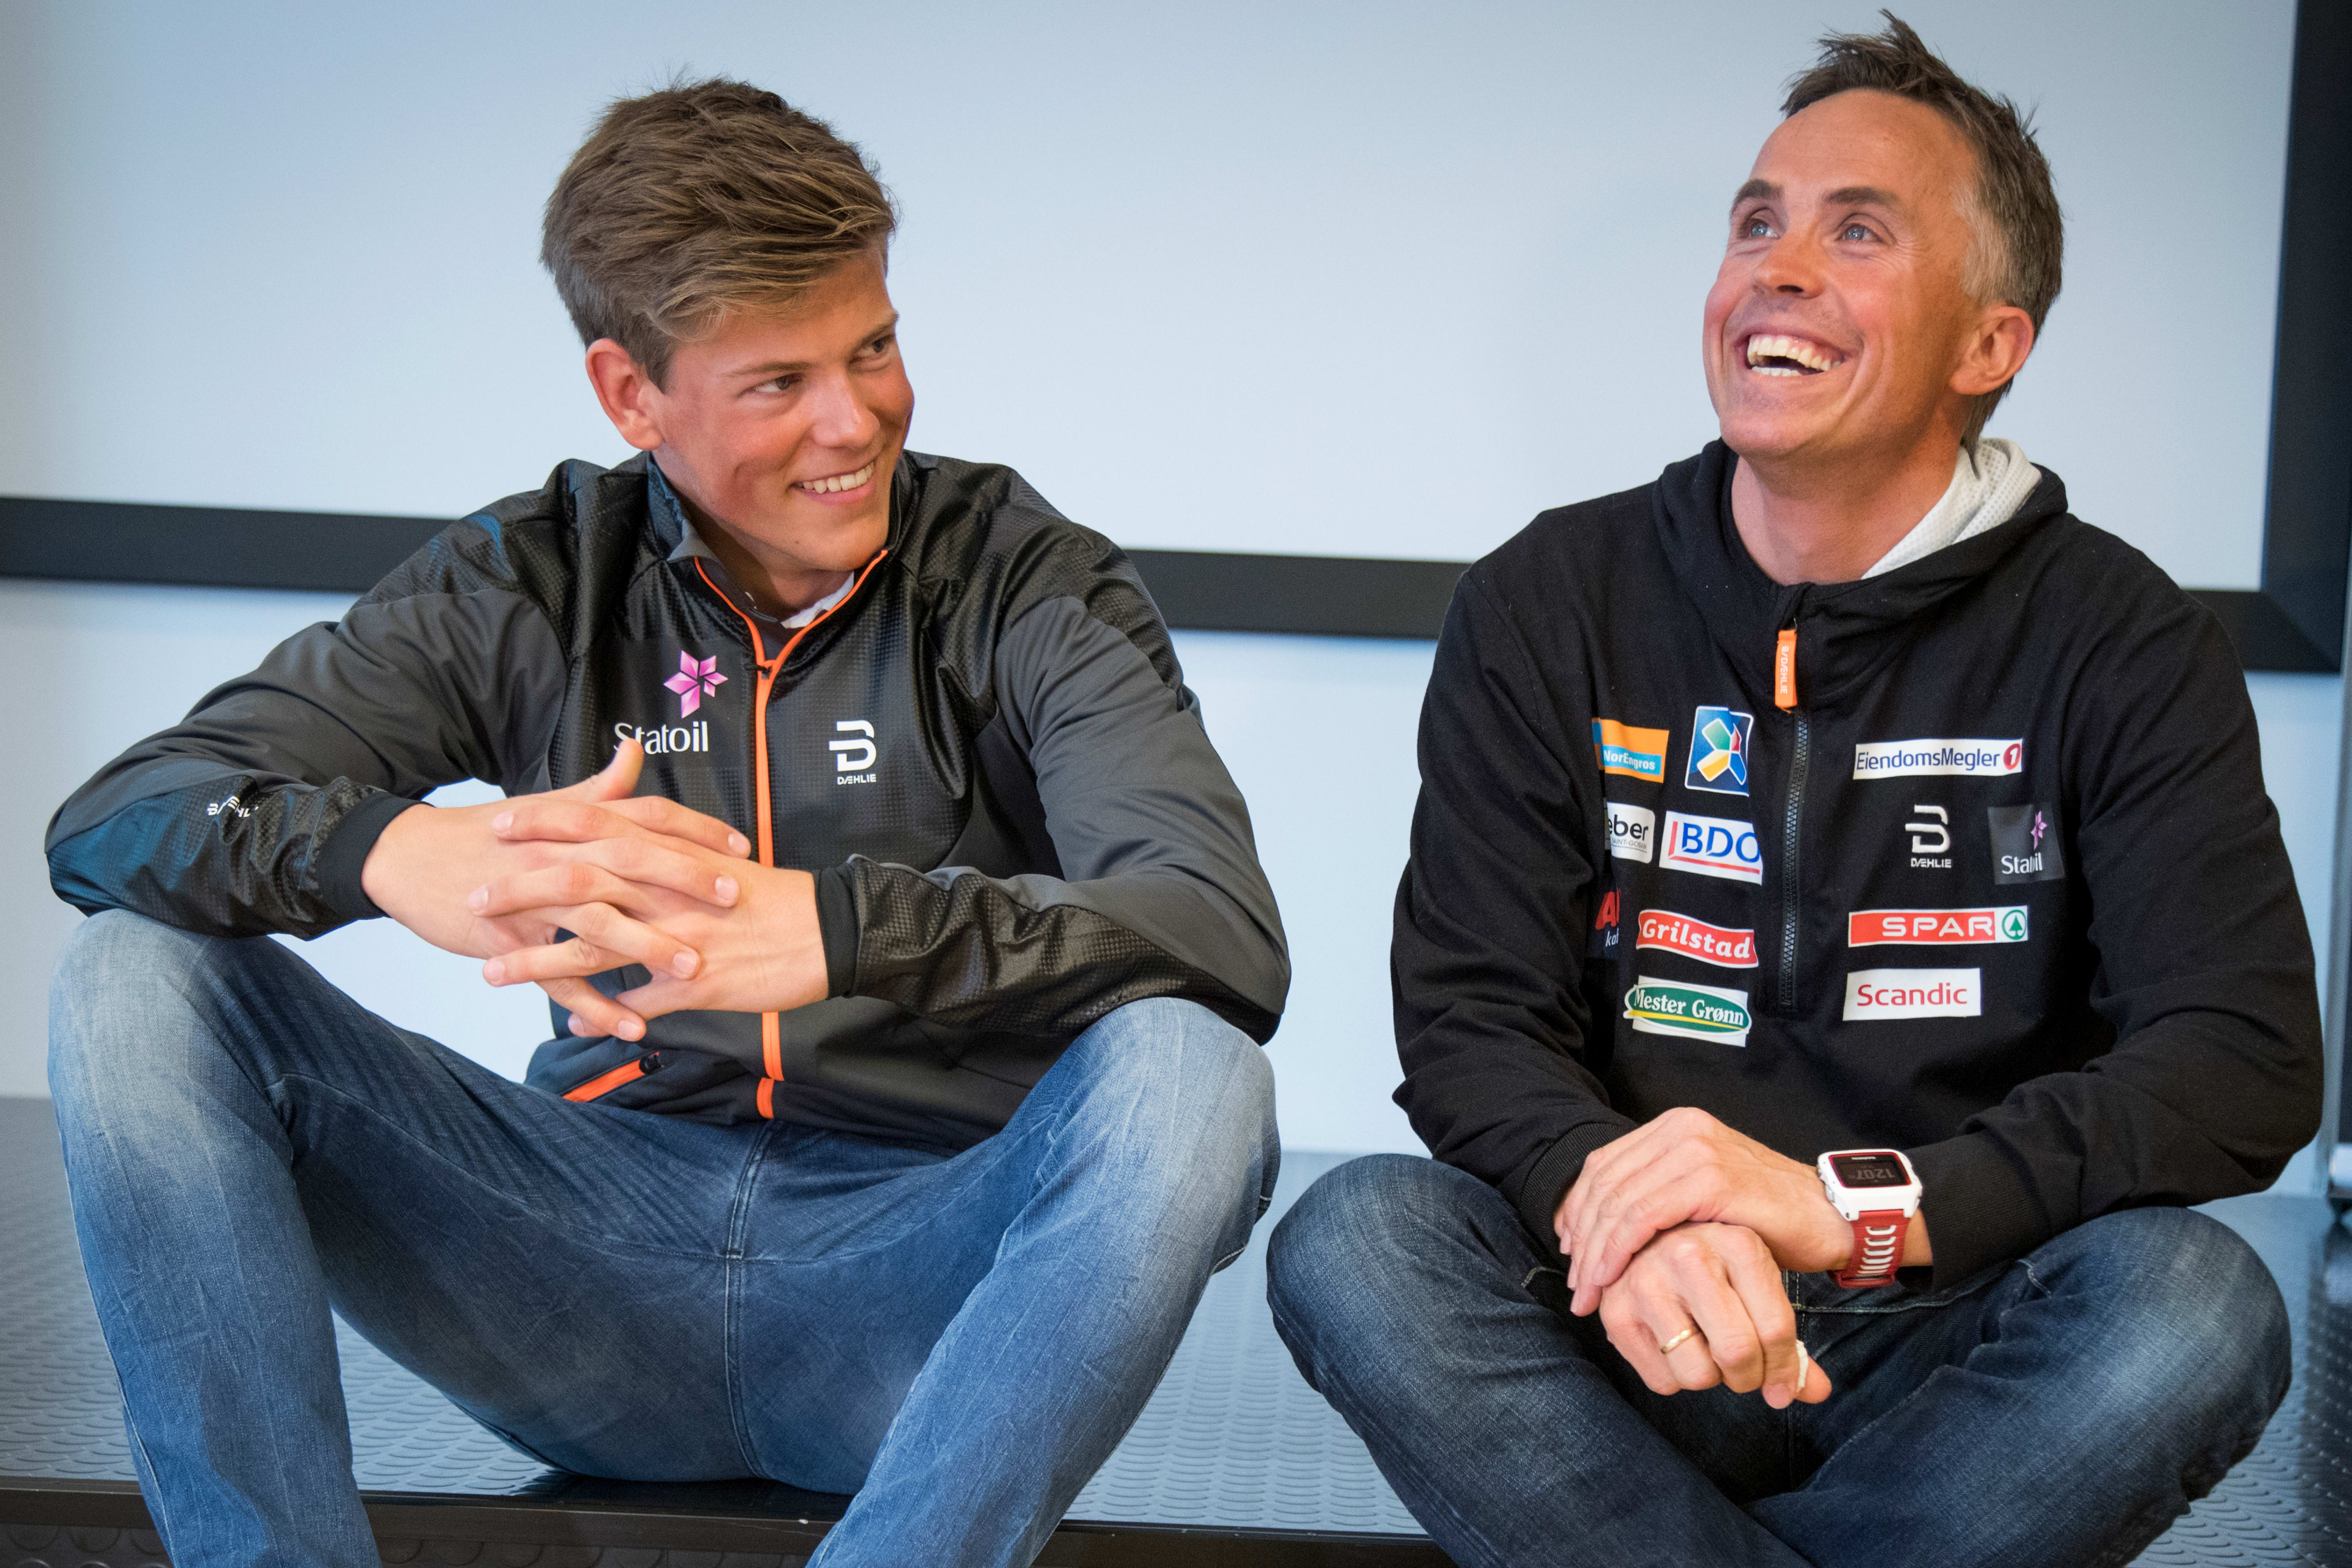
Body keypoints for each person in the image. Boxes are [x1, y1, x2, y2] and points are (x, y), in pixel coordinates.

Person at [44, 79, 1286, 1568]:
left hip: (923, 1295)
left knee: (1195, 1069)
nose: (856, 420)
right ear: (631, 395)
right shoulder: (533, 579)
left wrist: (843, 930)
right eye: (778, 383)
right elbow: (114, 819)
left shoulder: (1027, 580)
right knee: (135, 977)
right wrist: (389, 852)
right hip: (577, 1279)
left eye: (873, 348)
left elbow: (1218, 933)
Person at [1265, 17, 2320, 1568]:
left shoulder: (2124, 639)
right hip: (1640, 1314)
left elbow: (2240, 1060)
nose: (1778, 268)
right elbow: (1473, 1020)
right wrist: (1620, 1206)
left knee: (2195, 1307)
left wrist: (1856, 1212)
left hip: (1959, 1326)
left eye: (1857, 232)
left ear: (1987, 348)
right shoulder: (1547, 599)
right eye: (1756, 222)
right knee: (1357, 1239)